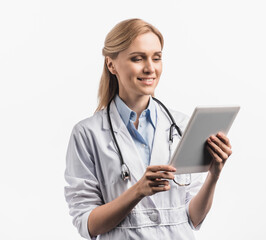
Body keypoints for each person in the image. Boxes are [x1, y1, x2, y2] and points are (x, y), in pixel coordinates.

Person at [64, 18, 233, 240]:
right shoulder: (87, 134)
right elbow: (87, 224)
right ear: (111, 64)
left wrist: (214, 174)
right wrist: (138, 191)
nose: (150, 68)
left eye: (157, 58)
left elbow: (193, 218)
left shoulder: (181, 126)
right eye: (137, 58)